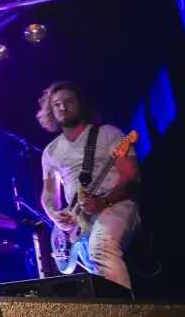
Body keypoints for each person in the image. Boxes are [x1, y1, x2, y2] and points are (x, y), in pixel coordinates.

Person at [39, 81, 140, 289]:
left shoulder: (108, 134)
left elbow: (132, 177)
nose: (63, 107)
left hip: (116, 205)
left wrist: (104, 201)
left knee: (101, 249)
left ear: (81, 104)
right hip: (80, 220)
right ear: (51, 111)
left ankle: (125, 309)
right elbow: (49, 194)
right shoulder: (50, 151)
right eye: (56, 104)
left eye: (69, 101)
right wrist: (54, 215)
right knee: (96, 270)